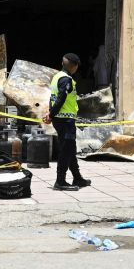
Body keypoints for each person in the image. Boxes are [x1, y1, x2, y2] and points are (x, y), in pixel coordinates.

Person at [43, 53, 92, 191]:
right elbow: (60, 99)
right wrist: (51, 114)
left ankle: (77, 177)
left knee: (70, 148)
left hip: (61, 119)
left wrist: (50, 113)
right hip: (65, 120)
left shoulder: (56, 77)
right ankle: (60, 181)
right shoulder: (66, 80)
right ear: (74, 66)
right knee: (66, 150)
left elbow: (52, 97)